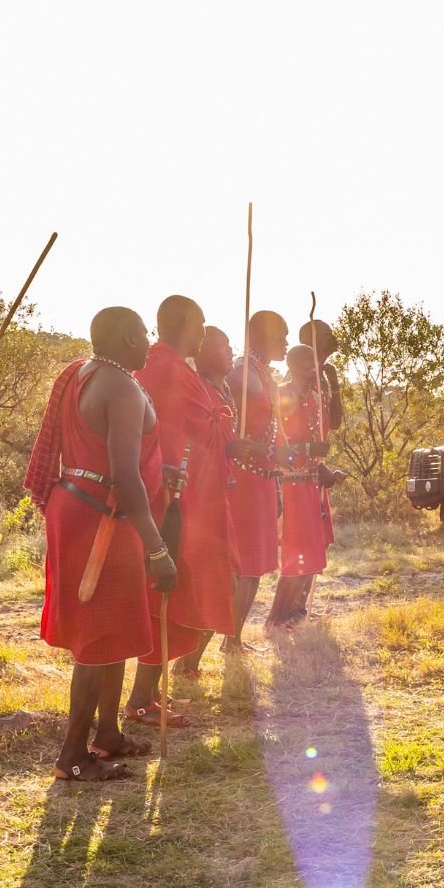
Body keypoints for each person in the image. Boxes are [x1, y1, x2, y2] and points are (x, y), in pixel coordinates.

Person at [25, 307, 177, 781]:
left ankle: (107, 734)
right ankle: (72, 755)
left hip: (77, 504)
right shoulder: (121, 385)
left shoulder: (81, 373)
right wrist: (157, 548)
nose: (150, 342)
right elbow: (126, 478)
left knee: (111, 627)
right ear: (130, 338)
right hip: (101, 515)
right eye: (145, 335)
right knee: (96, 634)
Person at [125, 297, 236, 723]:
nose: (204, 333)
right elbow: (187, 433)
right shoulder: (165, 369)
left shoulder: (169, 367)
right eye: (201, 324)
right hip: (172, 501)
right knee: (165, 598)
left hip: (184, 494)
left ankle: (150, 694)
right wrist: (220, 420)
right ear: (186, 323)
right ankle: (140, 701)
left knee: (175, 594)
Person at [171, 325, 243, 682]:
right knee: (209, 583)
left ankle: (188, 662)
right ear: (204, 351)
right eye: (223, 344)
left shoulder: (223, 390)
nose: (231, 350)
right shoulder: (196, 388)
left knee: (224, 582)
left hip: (218, 495)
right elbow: (197, 440)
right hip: (196, 497)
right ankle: (185, 662)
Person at [269, 343, 345, 627]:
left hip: (312, 482)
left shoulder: (314, 396)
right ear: (293, 364)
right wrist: (309, 448)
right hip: (291, 482)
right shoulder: (282, 392)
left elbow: (331, 425)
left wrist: (322, 467)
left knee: (312, 550)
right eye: (307, 364)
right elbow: (278, 444)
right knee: (295, 553)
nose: (314, 369)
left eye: (314, 365)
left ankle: (295, 612)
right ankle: (276, 619)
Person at [224, 311, 286, 649]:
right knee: (244, 564)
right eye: (282, 336)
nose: (287, 344)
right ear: (261, 337)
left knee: (256, 566)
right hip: (245, 478)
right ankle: (229, 638)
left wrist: (275, 478)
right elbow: (227, 415)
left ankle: (233, 638)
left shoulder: (261, 373)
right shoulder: (241, 372)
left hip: (263, 478)